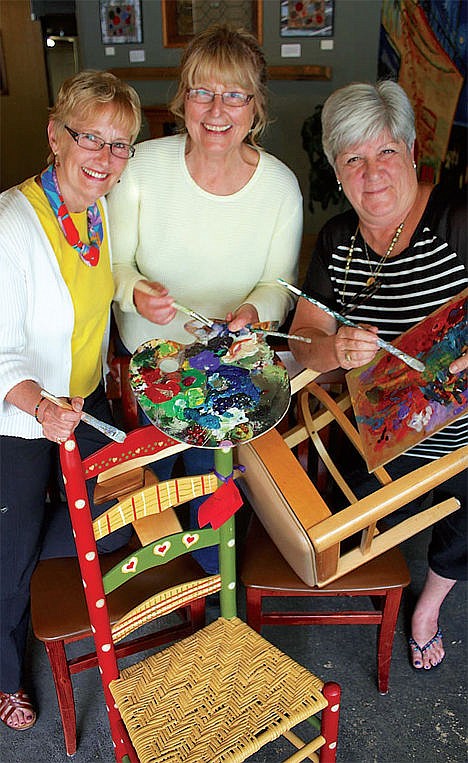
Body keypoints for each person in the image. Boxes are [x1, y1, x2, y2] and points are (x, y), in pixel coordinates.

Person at [107, 24, 302, 572]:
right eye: (202, 91)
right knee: (146, 498)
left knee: (209, 495)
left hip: (226, 371)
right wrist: (135, 293)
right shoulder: (141, 167)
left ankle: (216, 600)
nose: (218, 110)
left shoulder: (281, 188)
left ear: (255, 107)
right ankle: (160, 580)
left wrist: (253, 313)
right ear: (183, 100)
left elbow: (276, 285)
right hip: (147, 371)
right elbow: (117, 266)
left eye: (234, 94)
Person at [289, 80, 467, 671]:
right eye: (353, 159)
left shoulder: (457, 219)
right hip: (383, 428)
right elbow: (302, 340)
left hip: (464, 436)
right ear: (338, 173)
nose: (373, 174)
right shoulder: (338, 242)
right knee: (338, 535)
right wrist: (334, 348)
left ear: (413, 151)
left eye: (386, 152)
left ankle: (427, 609)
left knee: (466, 530)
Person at [0, 70, 141, 731]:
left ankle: (55, 583)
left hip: (79, 405)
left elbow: (97, 301)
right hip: (20, 421)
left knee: (126, 494)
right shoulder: (12, 225)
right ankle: (5, 668)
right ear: (56, 135)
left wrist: (142, 294)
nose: (106, 159)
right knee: (12, 550)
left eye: (121, 145)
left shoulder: (95, 210)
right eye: (92, 138)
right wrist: (39, 407)